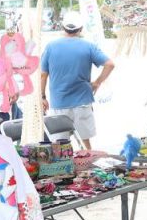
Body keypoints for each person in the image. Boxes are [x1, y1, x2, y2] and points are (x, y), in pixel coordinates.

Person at [39, 12, 114, 149]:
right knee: (86, 143)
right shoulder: (88, 46)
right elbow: (110, 64)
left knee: (60, 146)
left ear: (63, 27)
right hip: (83, 102)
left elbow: (43, 74)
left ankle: (64, 168)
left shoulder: (51, 46)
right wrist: (97, 82)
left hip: (59, 103)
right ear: (80, 29)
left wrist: (43, 96)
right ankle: (88, 166)